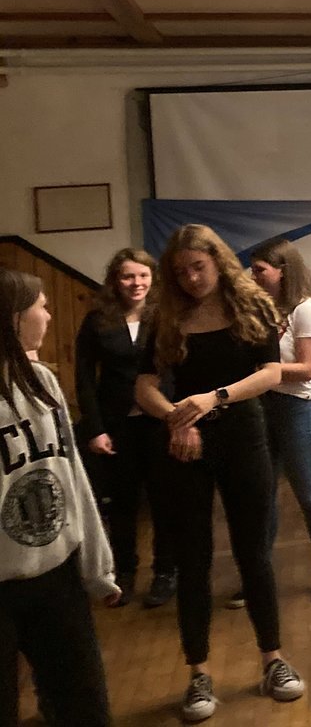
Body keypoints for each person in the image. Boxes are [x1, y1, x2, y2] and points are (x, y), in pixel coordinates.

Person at [135, 224, 304, 722]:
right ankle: (198, 673)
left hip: (243, 436)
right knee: (194, 559)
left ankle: (272, 659)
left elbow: (270, 373)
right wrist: (177, 418)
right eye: (182, 271)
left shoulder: (251, 305)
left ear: (218, 261)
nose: (191, 278)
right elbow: (144, 385)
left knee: (254, 554)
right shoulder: (165, 316)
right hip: (186, 443)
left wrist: (214, 398)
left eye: (199, 267)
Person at [0, 268, 118, 727]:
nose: (49, 316)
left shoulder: (42, 382)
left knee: (85, 707)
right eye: (42, 307)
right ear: (14, 317)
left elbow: (72, 478)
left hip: (56, 575)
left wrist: (96, 565)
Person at [73, 246, 176, 608]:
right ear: (115, 280)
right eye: (128, 276)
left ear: (153, 278)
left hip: (160, 420)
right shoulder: (97, 320)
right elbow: (85, 379)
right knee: (122, 504)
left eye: (143, 275)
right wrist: (95, 429)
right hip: (116, 425)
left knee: (165, 500)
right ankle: (125, 573)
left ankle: (165, 572)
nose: (136, 283)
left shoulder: (166, 315)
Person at [249, 237, 311, 605]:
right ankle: (258, 575)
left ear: (282, 271)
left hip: (298, 407)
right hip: (262, 405)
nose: (253, 276)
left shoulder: (305, 310)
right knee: (262, 494)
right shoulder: (259, 310)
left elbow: (307, 369)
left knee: (308, 493)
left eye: (260, 270)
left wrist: (263, 370)